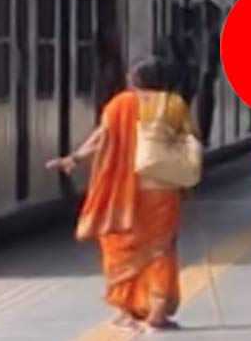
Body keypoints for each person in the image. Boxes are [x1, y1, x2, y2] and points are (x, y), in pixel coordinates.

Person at [46, 57, 195, 333]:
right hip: (162, 189)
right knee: (160, 250)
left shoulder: (119, 104)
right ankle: (157, 315)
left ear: (133, 80)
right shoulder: (174, 105)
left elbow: (102, 137)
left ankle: (128, 311)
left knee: (121, 247)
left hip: (123, 190)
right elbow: (187, 145)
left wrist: (75, 158)